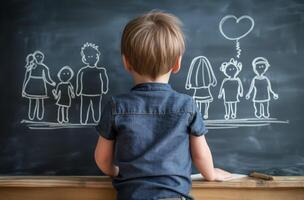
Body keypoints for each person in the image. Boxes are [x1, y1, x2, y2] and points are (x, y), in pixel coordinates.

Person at [94, 11, 231, 200]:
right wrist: (211, 174)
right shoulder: (186, 105)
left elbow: (102, 159)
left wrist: (116, 170)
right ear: (177, 64)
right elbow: (200, 155)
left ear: (126, 63)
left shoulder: (117, 106)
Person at [76, 42, 109, 124]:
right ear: (85, 58)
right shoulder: (82, 70)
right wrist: (78, 90)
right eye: (88, 56)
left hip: (97, 93)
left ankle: (97, 121)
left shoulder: (101, 70)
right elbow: (79, 81)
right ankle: (83, 121)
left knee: (96, 108)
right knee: (85, 108)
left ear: (97, 57)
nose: (91, 58)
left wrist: (104, 89)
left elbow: (104, 80)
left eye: (93, 56)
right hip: (85, 93)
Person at [22, 51, 55, 120]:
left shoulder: (44, 67)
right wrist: (24, 88)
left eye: (40, 57)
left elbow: (47, 78)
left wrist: (51, 82)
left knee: (40, 101)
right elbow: (26, 77)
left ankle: (39, 116)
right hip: (32, 84)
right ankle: (31, 116)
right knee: (33, 101)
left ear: (42, 58)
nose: (39, 58)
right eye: (37, 56)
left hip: (40, 84)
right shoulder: (31, 67)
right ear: (34, 57)